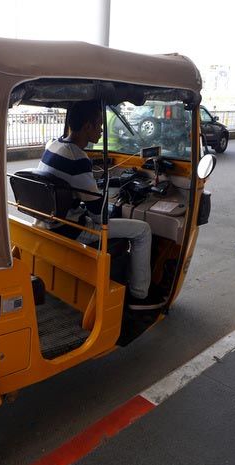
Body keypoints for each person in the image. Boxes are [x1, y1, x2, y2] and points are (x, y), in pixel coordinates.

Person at [35, 100, 165, 310]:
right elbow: (98, 216)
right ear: (88, 126)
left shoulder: (55, 146)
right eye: (99, 125)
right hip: (73, 229)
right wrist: (106, 200)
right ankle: (139, 295)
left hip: (51, 222)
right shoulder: (77, 158)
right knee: (143, 230)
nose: (102, 131)